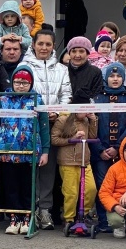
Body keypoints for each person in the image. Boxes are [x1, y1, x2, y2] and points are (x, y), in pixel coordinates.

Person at [0, 65, 50, 235]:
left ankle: (27, 218)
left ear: (30, 83)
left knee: (27, 187)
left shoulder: (37, 101)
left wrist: (45, 150)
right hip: (8, 154)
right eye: (17, 82)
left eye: (25, 82)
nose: (21, 85)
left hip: (30, 153)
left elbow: (44, 127)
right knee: (11, 187)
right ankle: (14, 218)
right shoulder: (3, 100)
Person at [22, 29, 72, 229]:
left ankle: (45, 210)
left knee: (48, 169)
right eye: (40, 43)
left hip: (53, 125)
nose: (44, 48)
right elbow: (21, 92)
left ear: (53, 46)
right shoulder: (24, 66)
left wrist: (57, 113)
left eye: (48, 44)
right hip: (30, 125)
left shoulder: (62, 69)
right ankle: (30, 208)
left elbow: (66, 95)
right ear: (33, 44)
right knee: (30, 167)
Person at [92, 62, 126, 232]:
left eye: (119, 76)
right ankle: (104, 221)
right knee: (102, 184)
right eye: (112, 76)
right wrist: (100, 149)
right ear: (106, 77)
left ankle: (120, 220)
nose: (115, 79)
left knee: (121, 185)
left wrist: (119, 146)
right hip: (101, 152)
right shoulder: (98, 97)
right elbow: (92, 125)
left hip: (122, 151)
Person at [51, 94, 98, 226]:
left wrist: (93, 121)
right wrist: (73, 138)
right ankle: (69, 219)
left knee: (91, 189)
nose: (86, 112)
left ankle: (84, 214)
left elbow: (93, 136)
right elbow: (54, 139)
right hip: (68, 161)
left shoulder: (87, 121)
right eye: (84, 109)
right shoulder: (63, 120)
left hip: (84, 161)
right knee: (71, 193)